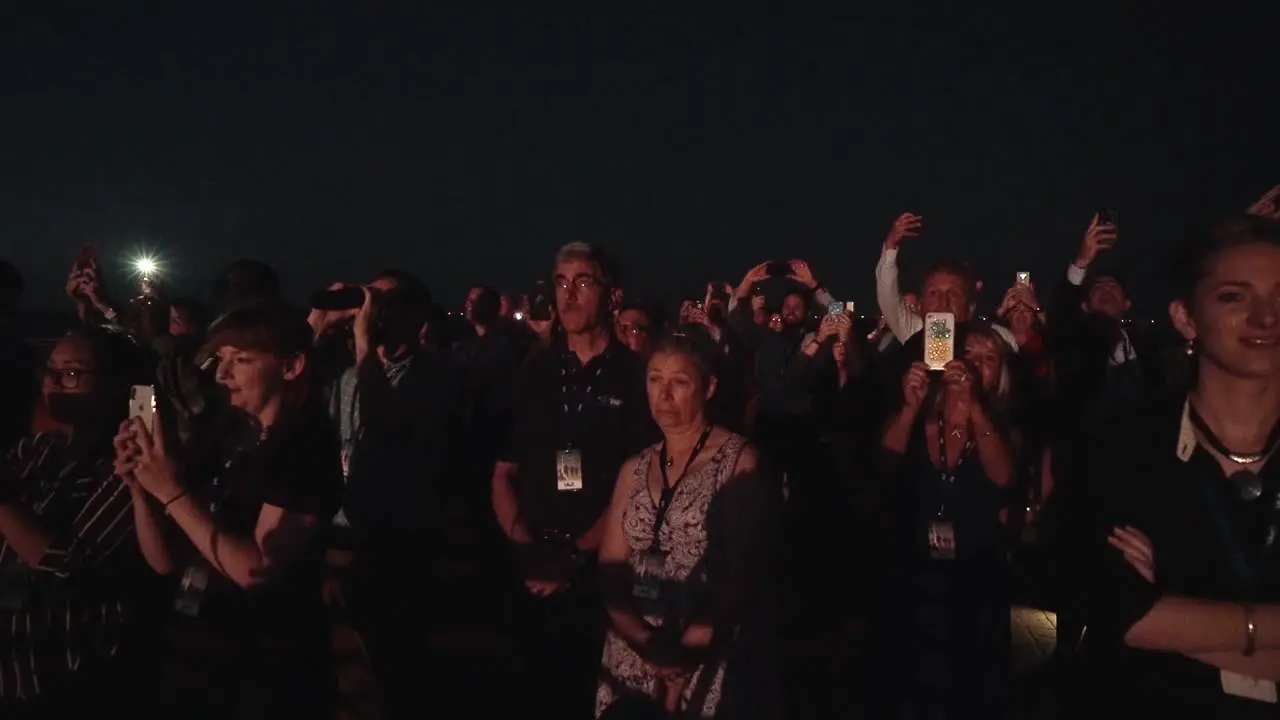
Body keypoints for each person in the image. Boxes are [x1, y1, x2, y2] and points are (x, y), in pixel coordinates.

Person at [1082, 214, 1280, 717]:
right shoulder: (1124, 446)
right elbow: (1122, 614)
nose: (1266, 316)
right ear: (1186, 318)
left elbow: (1148, 621)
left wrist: (1180, 622)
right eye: (1234, 296)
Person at [114, 304, 343, 718]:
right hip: (195, 652)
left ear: (290, 366)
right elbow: (165, 562)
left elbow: (255, 571)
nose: (222, 374)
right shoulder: (224, 435)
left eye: (241, 360)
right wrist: (141, 488)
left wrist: (171, 492)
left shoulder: (306, 449)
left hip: (268, 667)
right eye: (220, 358)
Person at [492, 242, 658, 719]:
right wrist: (527, 550)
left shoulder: (634, 379)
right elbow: (502, 473)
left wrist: (572, 557)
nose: (568, 295)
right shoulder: (533, 371)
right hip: (531, 568)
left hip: (602, 574)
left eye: (583, 281)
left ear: (612, 295)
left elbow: (641, 484)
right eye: (560, 282)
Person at [596, 327, 779, 719]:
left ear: (708, 387)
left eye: (679, 382)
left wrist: (689, 645)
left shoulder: (738, 463)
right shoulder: (635, 468)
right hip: (635, 650)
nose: (663, 395)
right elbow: (611, 564)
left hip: (703, 652)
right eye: (655, 380)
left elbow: (743, 569)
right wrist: (641, 638)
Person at [0, 329, 140, 717]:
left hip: (59, 673)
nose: (54, 383)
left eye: (72, 373)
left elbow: (63, 567)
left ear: (113, 386)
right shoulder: (36, 451)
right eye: (50, 370)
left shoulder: (126, 468)